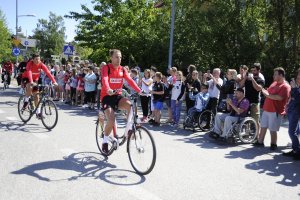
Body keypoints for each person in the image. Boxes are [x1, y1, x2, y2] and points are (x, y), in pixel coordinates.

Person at [100, 49, 142, 154]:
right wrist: (108, 89)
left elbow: (129, 80)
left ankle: (128, 131)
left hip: (117, 96)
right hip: (107, 97)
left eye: (120, 57)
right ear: (111, 58)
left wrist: (139, 90)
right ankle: (105, 141)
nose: (119, 59)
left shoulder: (122, 69)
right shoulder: (106, 68)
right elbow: (105, 79)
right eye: (116, 57)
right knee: (111, 119)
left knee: (130, 105)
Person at [254, 67, 291, 150]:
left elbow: (279, 97)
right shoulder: (274, 83)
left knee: (272, 129)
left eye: (275, 74)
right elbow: (268, 92)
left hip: (276, 111)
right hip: (266, 109)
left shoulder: (286, 86)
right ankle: (260, 142)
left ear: (281, 75)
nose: (273, 76)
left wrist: (266, 94)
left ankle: (273, 144)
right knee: (263, 126)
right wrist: (263, 90)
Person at [21, 54, 58, 118]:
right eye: (36, 59)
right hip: (26, 78)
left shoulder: (41, 64)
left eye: (39, 59)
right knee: (30, 87)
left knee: (37, 96)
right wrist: (31, 81)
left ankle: (38, 113)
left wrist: (54, 81)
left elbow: (48, 73)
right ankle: (25, 102)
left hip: (35, 80)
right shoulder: (30, 64)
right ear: (33, 59)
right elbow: (29, 72)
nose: (38, 60)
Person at [282, 69, 300, 160]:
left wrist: (295, 88)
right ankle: (295, 149)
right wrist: (287, 106)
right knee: (295, 131)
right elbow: (292, 97)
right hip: (292, 110)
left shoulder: (296, 86)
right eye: (298, 76)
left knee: (291, 132)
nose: (298, 77)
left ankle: (297, 151)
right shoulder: (296, 84)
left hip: (296, 111)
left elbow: (298, 98)